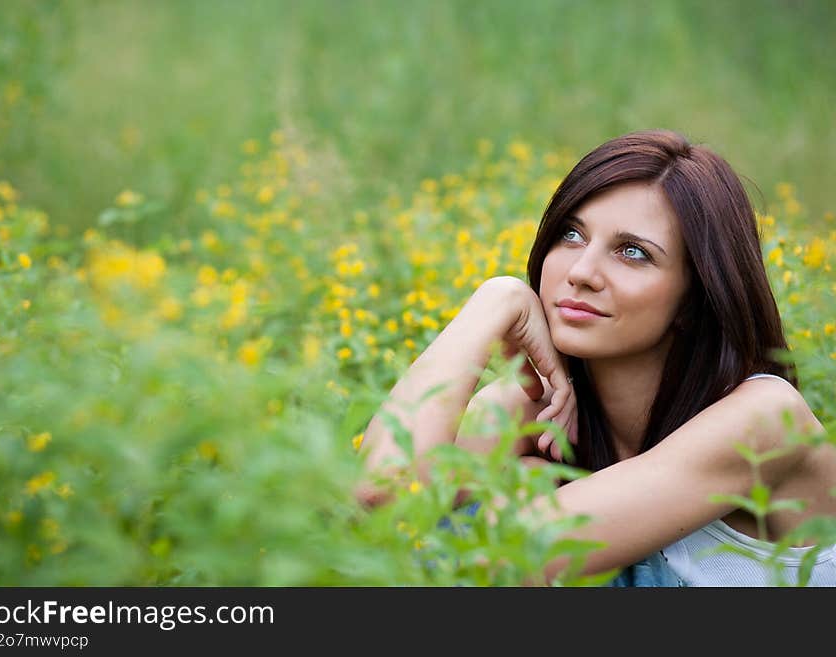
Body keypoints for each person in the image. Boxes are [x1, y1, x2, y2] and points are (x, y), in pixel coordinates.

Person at [356, 129, 836, 586]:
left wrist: (517, 496)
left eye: (632, 252)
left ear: (696, 298)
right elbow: (379, 507)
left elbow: (500, 561)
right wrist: (492, 304)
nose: (581, 272)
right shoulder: (533, 406)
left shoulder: (764, 420)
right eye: (571, 235)